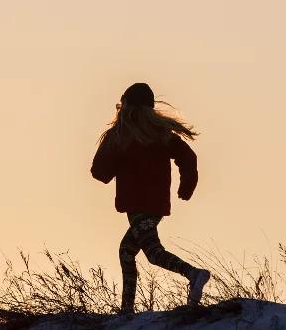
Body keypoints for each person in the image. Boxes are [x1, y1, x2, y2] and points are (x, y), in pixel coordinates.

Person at [90, 82, 211, 314]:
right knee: (127, 251)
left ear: (126, 105)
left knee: (153, 253)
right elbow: (188, 157)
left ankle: (194, 274)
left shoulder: (121, 135)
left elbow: (100, 172)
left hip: (137, 204)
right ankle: (126, 309)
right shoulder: (161, 134)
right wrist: (187, 186)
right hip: (155, 204)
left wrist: (116, 157)